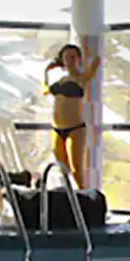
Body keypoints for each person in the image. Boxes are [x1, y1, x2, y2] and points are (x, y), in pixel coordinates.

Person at [43, 42, 102, 189]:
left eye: (74, 57)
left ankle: (85, 197)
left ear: (79, 59)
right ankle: (69, 198)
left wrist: (88, 50)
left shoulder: (82, 78)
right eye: (67, 57)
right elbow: (45, 91)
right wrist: (46, 72)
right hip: (56, 129)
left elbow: (96, 62)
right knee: (63, 169)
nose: (71, 60)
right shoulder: (60, 80)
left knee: (76, 171)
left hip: (75, 129)